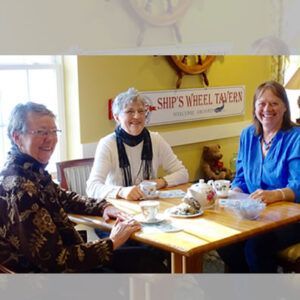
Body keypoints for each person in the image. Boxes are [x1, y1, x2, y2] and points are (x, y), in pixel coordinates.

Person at [0, 102, 167, 273]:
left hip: (69, 261)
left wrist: (104, 206)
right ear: (17, 137)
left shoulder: (31, 169)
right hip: (48, 283)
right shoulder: (20, 188)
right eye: (41, 132)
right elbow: (56, 261)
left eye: (53, 131)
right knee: (146, 265)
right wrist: (112, 242)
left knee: (148, 258)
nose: (50, 139)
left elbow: (64, 197)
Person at [218, 80, 300, 273]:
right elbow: (241, 178)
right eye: (262, 103)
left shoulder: (296, 137)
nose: (267, 109)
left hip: (291, 218)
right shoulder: (248, 135)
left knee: (255, 247)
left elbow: (298, 185)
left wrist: (275, 195)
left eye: (274, 103)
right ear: (255, 107)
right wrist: (232, 195)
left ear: (285, 108)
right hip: (255, 215)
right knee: (225, 242)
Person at [86, 87, 189, 201]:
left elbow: (183, 173)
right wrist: (121, 191)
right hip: (119, 208)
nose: (137, 116)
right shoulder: (108, 144)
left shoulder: (156, 140)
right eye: (130, 111)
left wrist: (159, 182)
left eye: (141, 111)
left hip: (150, 205)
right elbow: (92, 187)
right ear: (117, 117)